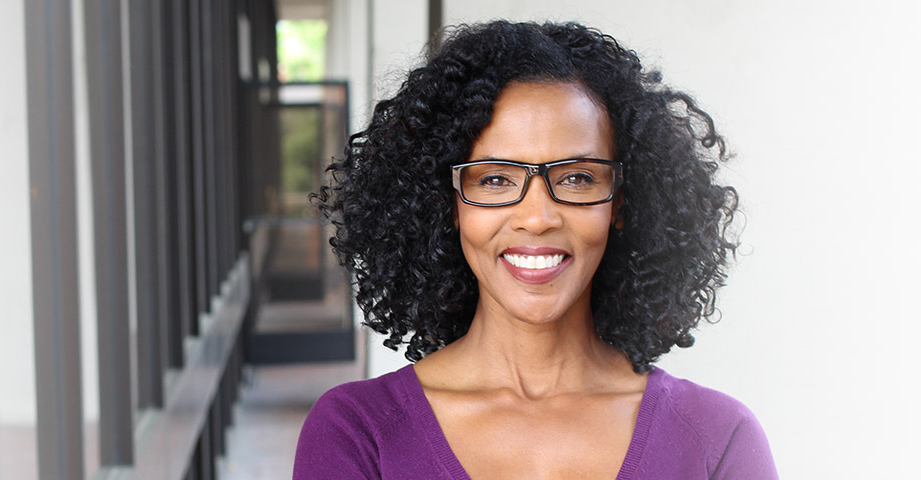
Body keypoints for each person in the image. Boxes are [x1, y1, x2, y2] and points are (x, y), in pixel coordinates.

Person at [295, 20, 776, 479]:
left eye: (577, 178)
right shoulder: (358, 434)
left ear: (620, 205)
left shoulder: (716, 438)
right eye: (497, 179)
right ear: (448, 204)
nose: (537, 217)